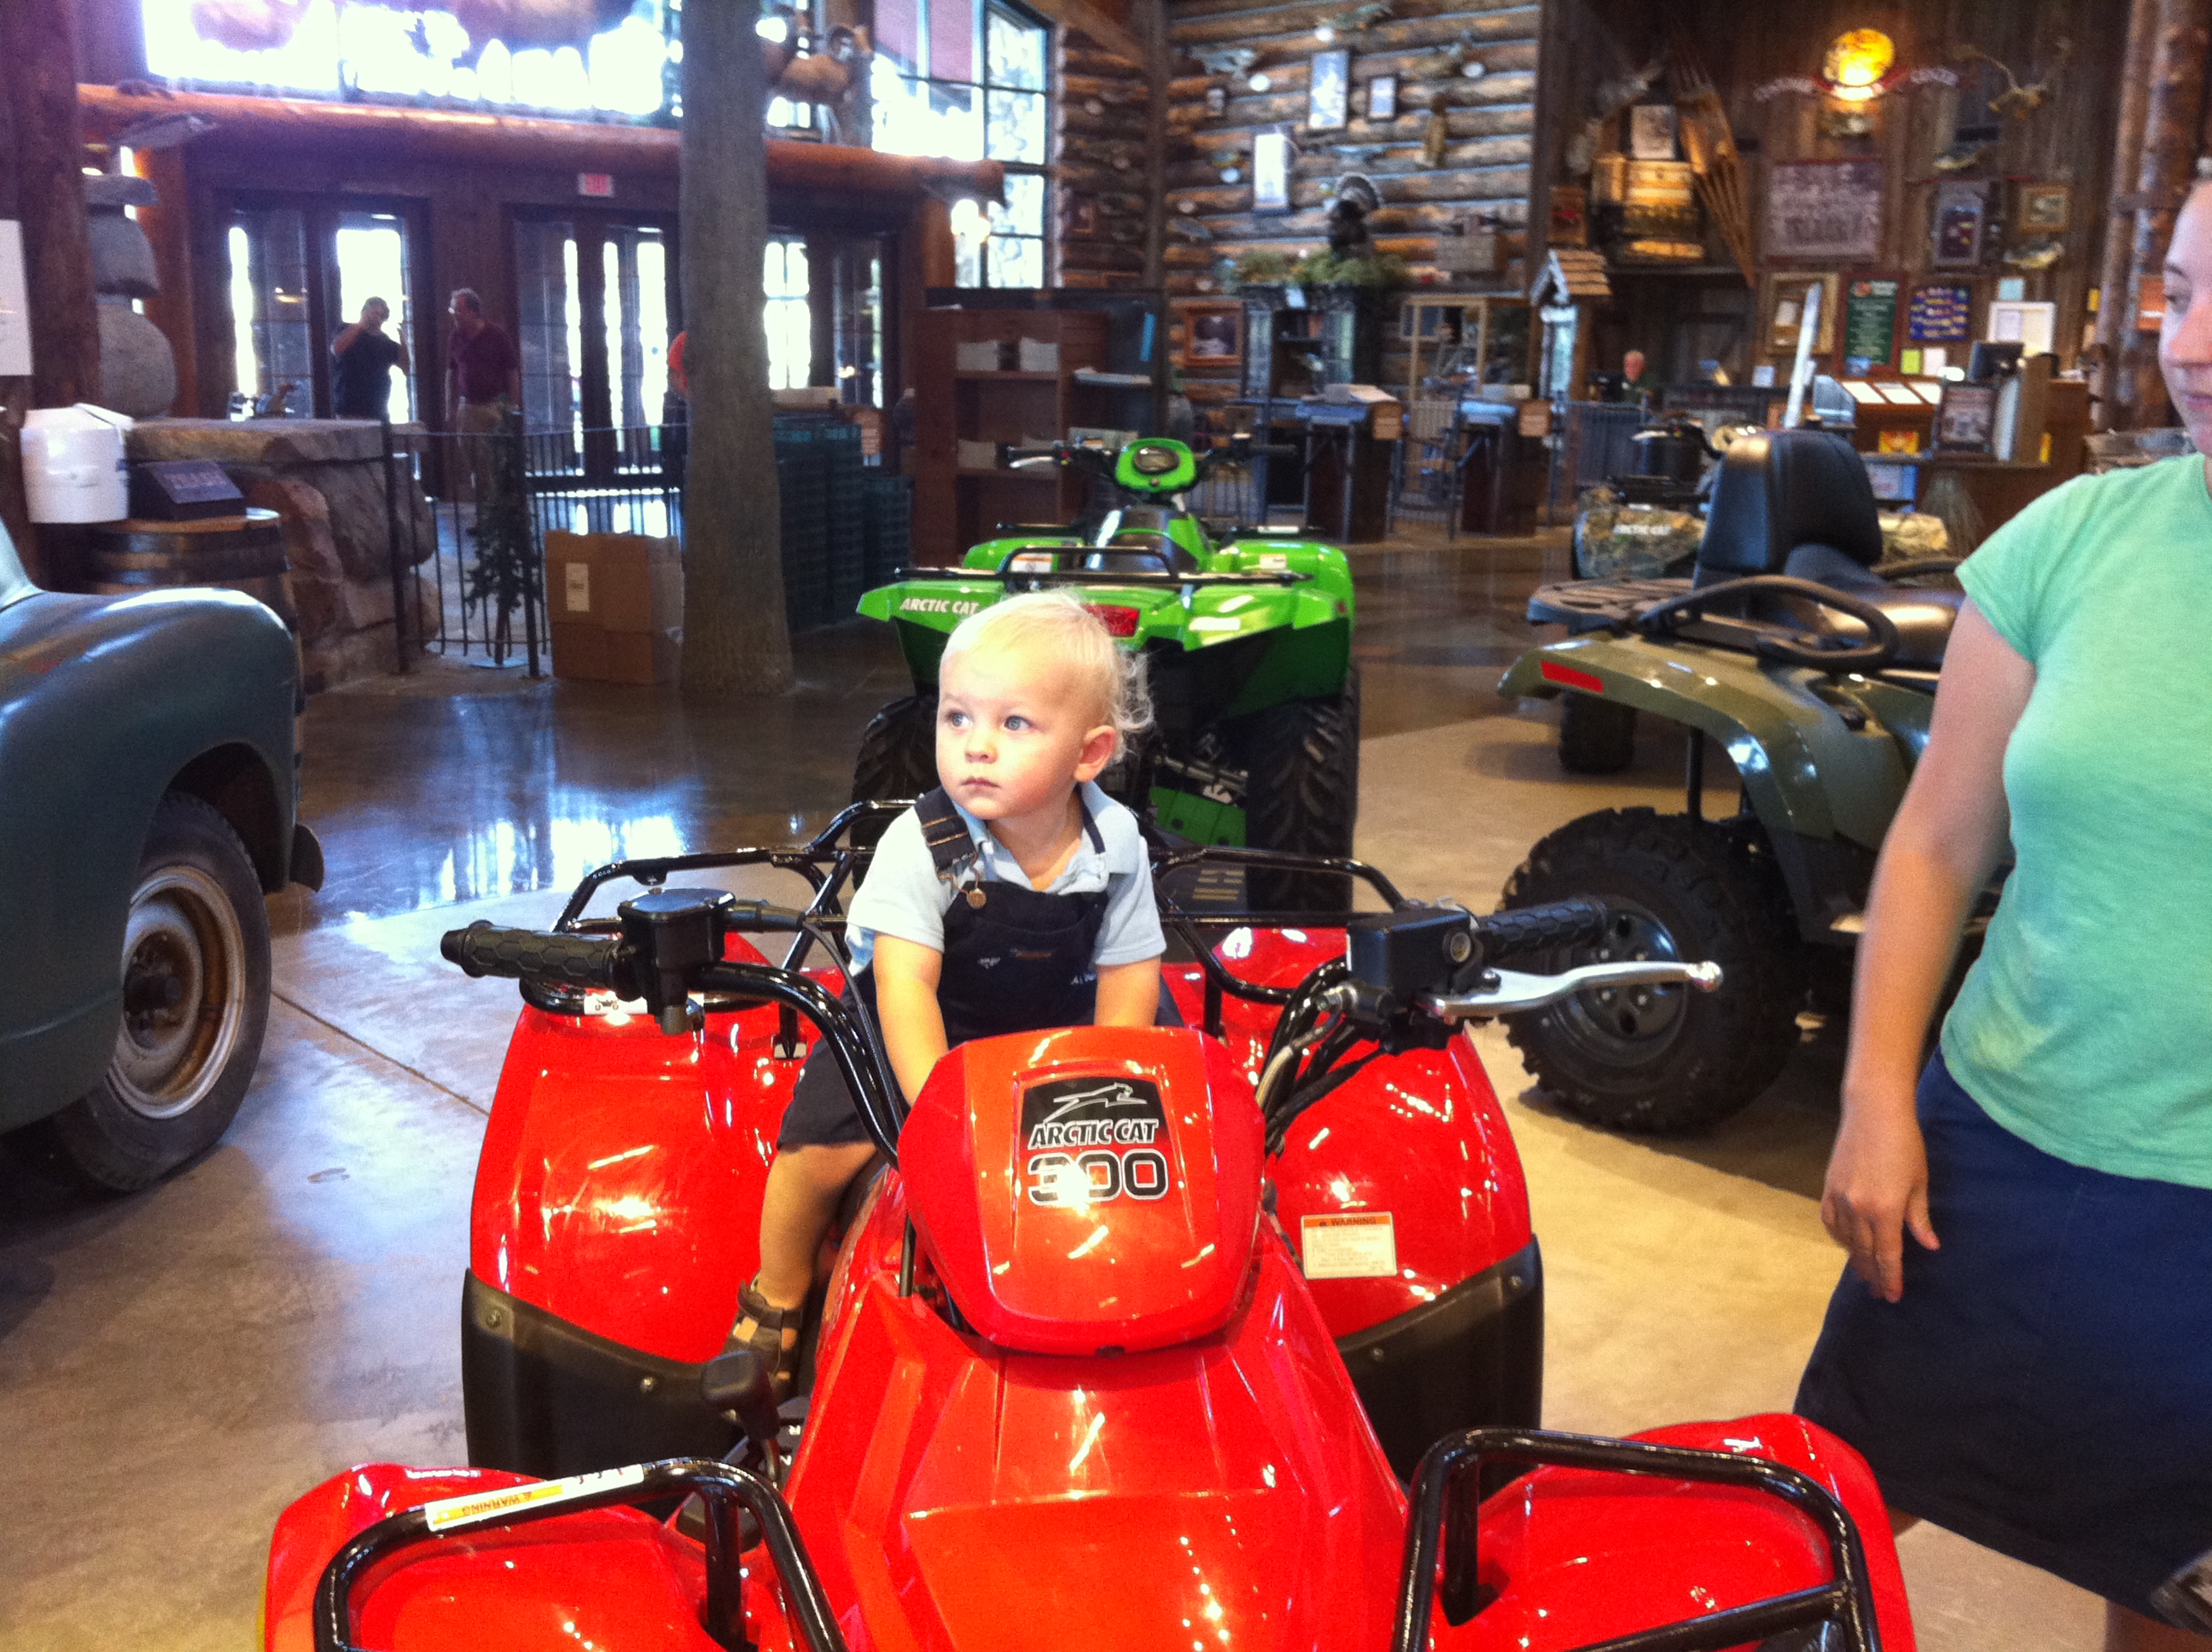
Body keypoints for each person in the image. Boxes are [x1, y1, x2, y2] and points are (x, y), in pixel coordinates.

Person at [1795, 177, 2212, 1652]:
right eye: (2179, 293)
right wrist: (1873, 1099)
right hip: (1991, 1147)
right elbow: (1935, 841)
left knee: (2167, 1587)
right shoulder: (2072, 540)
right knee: (1812, 1531)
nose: (2191, 345)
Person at [729, 593, 1167, 1394]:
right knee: (818, 1149)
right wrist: (942, 1110)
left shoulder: (1117, 843)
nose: (976, 747)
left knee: (1172, 1119)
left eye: (1014, 724)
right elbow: (906, 983)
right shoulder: (921, 843)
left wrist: (1110, 1081)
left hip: (1061, 1016)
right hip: (927, 1024)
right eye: (957, 717)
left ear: (1091, 753)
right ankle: (780, 1288)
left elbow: (1131, 970)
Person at [446, 288, 520, 507]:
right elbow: (451, 371)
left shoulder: (496, 335)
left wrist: (513, 406)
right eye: (453, 309)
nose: (454, 314)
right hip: (467, 407)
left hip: (492, 406)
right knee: (473, 464)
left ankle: (498, 511)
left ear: (472, 311)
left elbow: (511, 370)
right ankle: (483, 511)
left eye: (458, 310)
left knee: (492, 462)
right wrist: (449, 407)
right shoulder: (455, 336)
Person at [330, 298, 408, 420]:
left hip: (377, 407)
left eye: (379, 314)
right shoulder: (347, 330)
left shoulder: (386, 342)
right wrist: (362, 323)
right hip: (348, 406)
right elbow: (337, 349)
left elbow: (406, 367)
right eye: (372, 312)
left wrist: (402, 336)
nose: (374, 317)